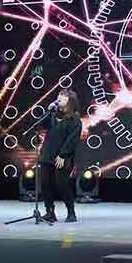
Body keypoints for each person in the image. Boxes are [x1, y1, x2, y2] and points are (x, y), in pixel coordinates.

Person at [37, 89, 82, 223]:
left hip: (63, 157)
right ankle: (50, 212)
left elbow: (72, 140)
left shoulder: (75, 120)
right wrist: (48, 111)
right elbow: (40, 125)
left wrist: (63, 155)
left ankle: (71, 212)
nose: (60, 98)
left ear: (70, 101)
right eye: (59, 95)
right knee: (45, 184)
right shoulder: (52, 114)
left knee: (61, 184)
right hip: (47, 154)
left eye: (64, 96)